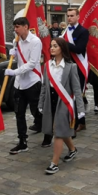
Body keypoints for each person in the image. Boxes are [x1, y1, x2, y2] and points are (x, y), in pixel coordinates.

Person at [39, 38, 84, 174]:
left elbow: (76, 89)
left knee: (58, 131)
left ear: (62, 49)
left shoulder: (71, 67)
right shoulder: (47, 65)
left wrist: (80, 109)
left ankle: (54, 163)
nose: (52, 48)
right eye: (51, 46)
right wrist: (41, 103)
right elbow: (44, 87)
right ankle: (72, 149)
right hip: (50, 100)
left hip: (64, 101)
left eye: (55, 46)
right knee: (61, 128)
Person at [4, 17, 47, 153]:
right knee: (19, 112)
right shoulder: (16, 41)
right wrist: (14, 54)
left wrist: (14, 72)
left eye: (18, 26)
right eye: (14, 27)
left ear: (26, 27)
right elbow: (20, 59)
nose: (15, 29)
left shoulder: (35, 41)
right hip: (19, 83)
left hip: (32, 81)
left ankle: (47, 132)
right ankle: (22, 141)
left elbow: (32, 63)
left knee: (37, 110)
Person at [62, 8, 90, 132]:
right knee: (69, 93)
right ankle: (71, 118)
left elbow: (79, 49)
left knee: (78, 94)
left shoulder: (83, 31)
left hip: (79, 66)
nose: (69, 18)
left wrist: (64, 43)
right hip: (67, 65)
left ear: (78, 16)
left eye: (72, 15)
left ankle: (81, 121)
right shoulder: (65, 31)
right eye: (68, 16)